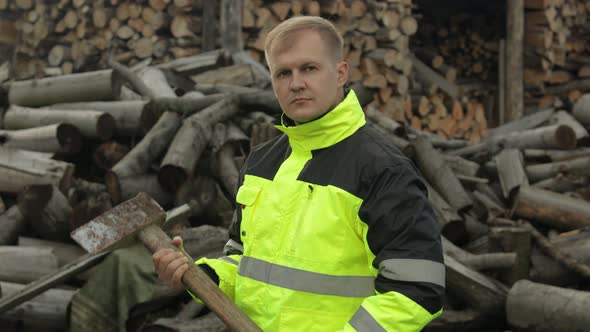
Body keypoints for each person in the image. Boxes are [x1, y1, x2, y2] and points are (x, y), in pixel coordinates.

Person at [152, 16, 445, 331]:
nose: (296, 83)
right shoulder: (261, 163)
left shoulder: (382, 169)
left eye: (309, 68)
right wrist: (199, 275)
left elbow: (417, 291)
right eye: (283, 73)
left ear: (340, 73)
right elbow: (245, 263)